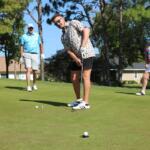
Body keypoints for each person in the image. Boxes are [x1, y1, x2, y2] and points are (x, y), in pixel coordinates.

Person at [51, 14, 95, 109]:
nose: (58, 24)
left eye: (59, 21)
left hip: (87, 53)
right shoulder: (63, 36)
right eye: (56, 23)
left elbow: (86, 30)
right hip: (77, 56)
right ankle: (79, 100)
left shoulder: (73, 23)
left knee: (85, 76)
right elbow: (68, 50)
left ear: (63, 18)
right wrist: (76, 59)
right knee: (74, 78)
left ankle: (85, 103)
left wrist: (83, 46)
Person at [19, 23, 44, 92]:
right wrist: (21, 56)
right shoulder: (23, 36)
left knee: (35, 71)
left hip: (35, 54)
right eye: (30, 28)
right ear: (27, 28)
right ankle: (28, 86)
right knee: (28, 70)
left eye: (32, 28)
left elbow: (40, 44)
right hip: (26, 54)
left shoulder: (37, 35)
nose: (31, 29)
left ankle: (34, 84)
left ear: (33, 28)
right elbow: (21, 46)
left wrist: (42, 53)